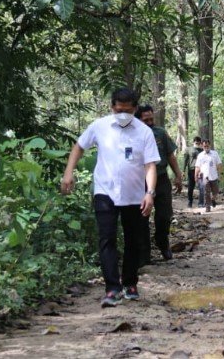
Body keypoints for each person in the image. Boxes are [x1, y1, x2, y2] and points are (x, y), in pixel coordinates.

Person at [60, 87, 158, 307]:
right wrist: (69, 173)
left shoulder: (144, 132)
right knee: (107, 239)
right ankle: (112, 288)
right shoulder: (99, 127)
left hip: (135, 195)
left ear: (135, 109)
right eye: (119, 109)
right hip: (105, 192)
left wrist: (149, 193)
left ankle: (130, 284)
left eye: (128, 110)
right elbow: (79, 147)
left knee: (134, 241)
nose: (123, 114)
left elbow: (150, 165)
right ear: (112, 107)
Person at [135, 104, 183, 262]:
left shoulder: (160, 133)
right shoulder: (132, 135)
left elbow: (170, 156)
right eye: (145, 119)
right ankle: (144, 253)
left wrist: (178, 175)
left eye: (151, 118)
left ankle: (162, 241)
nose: (149, 122)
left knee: (164, 216)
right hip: (139, 181)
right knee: (141, 217)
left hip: (161, 178)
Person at [194, 139, 223, 212]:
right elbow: (197, 167)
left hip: (214, 176)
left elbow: (219, 164)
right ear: (202, 146)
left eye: (207, 146)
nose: (206, 147)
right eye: (204, 146)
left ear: (210, 145)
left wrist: (221, 174)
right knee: (206, 192)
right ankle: (208, 206)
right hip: (204, 176)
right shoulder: (200, 155)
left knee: (215, 191)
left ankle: (213, 199)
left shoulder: (215, 154)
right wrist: (196, 176)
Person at [183, 136, 203, 208]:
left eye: (198, 142)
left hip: (200, 170)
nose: (197, 144)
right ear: (193, 142)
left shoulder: (202, 150)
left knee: (201, 187)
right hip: (191, 170)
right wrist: (183, 171)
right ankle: (190, 201)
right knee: (190, 187)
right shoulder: (188, 149)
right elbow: (185, 160)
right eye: (196, 142)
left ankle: (201, 202)